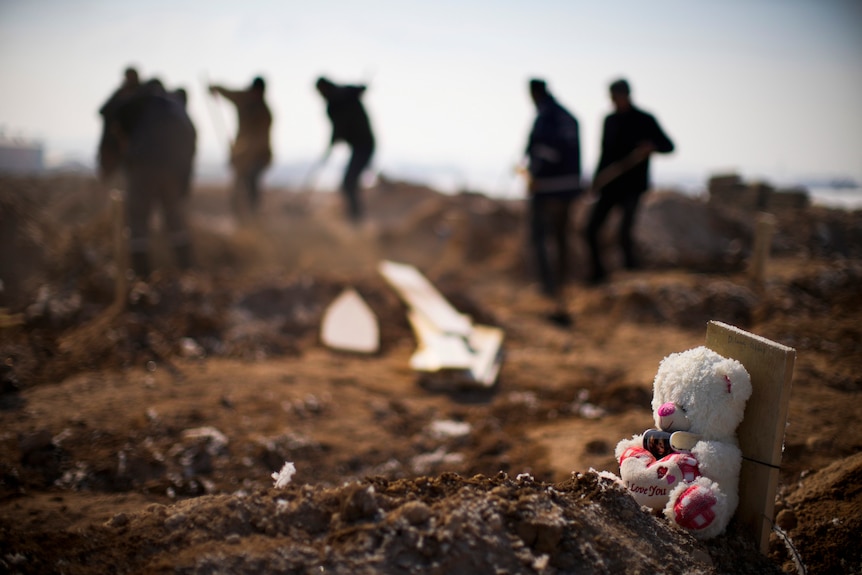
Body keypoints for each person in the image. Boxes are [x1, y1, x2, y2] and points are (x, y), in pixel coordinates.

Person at [100, 78, 197, 277]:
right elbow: (189, 151)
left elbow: (110, 112)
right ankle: (187, 269)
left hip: (143, 165)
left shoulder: (142, 99)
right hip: (171, 169)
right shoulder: (179, 112)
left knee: (137, 220)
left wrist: (123, 149)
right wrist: (183, 185)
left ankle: (141, 274)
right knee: (174, 219)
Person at [585, 78, 674, 284]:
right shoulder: (610, 120)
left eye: (616, 97)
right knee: (591, 229)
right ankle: (598, 274)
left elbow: (668, 146)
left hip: (633, 186)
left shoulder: (645, 119)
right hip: (610, 184)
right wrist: (597, 180)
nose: (614, 101)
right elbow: (604, 153)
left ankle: (631, 276)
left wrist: (651, 147)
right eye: (612, 97)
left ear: (626, 95)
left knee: (624, 232)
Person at [524, 78, 582, 325]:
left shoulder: (547, 117)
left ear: (534, 93)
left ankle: (549, 287)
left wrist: (535, 174)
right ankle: (561, 284)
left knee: (539, 237)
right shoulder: (569, 116)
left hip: (547, 188)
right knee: (560, 238)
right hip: (569, 187)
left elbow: (543, 151)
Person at [208, 76, 273, 218]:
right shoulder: (243, 99)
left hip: (258, 156)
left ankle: (253, 215)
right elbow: (227, 92)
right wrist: (215, 88)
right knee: (238, 186)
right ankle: (239, 217)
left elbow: (260, 141)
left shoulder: (265, 112)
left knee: (251, 182)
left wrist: (242, 152)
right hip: (242, 154)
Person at [315, 76, 376, 223]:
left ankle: (356, 219)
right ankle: (355, 216)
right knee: (350, 182)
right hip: (362, 144)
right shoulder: (342, 96)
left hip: (364, 144)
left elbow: (338, 130)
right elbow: (360, 90)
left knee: (349, 182)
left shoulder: (336, 102)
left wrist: (333, 142)